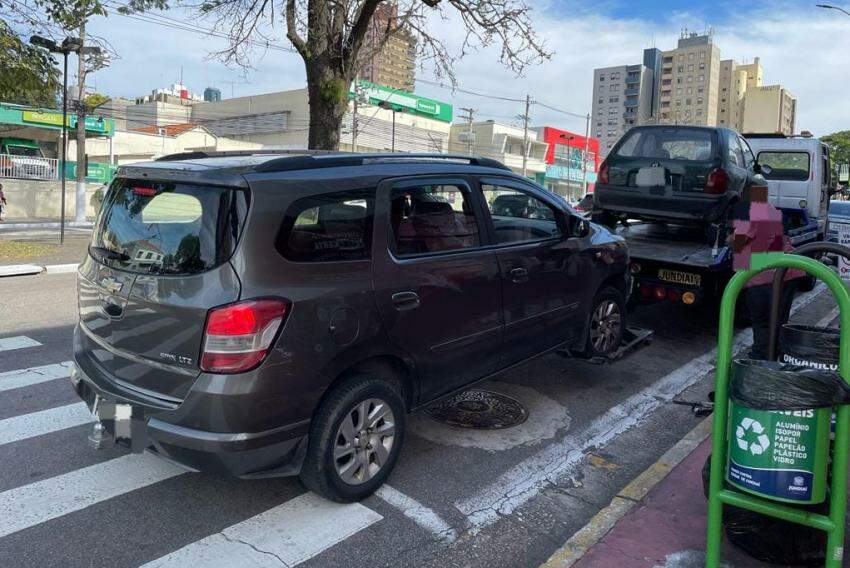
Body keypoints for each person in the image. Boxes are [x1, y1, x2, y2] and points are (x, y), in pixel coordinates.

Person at [730, 183, 804, 360]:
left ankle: (760, 359)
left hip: (763, 276)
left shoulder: (749, 211)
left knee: (762, 321)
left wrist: (727, 238)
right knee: (778, 319)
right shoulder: (770, 209)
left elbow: (739, 240)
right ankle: (775, 355)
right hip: (788, 272)